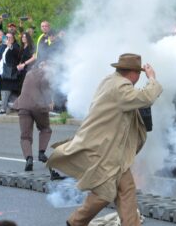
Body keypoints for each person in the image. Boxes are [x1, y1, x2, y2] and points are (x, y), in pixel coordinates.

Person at [47, 53, 163, 226]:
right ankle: (76, 222)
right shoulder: (121, 86)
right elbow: (145, 98)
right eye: (139, 73)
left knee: (126, 189)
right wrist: (152, 79)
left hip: (110, 149)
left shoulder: (110, 80)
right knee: (104, 192)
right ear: (134, 73)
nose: (140, 77)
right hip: (105, 150)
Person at [13, 60, 53, 171]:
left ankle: (29, 159)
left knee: (25, 136)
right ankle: (41, 153)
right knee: (45, 129)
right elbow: (46, 91)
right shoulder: (44, 75)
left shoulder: (29, 73)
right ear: (43, 66)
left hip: (23, 106)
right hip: (38, 107)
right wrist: (50, 103)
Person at [0, 33, 21, 115]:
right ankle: (21, 107)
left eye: (10, 37)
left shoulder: (15, 46)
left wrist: (10, 45)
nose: (8, 39)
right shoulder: (4, 46)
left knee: (5, 91)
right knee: (10, 94)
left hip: (11, 73)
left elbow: (16, 53)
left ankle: (3, 110)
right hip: (4, 73)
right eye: (6, 37)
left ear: (13, 38)